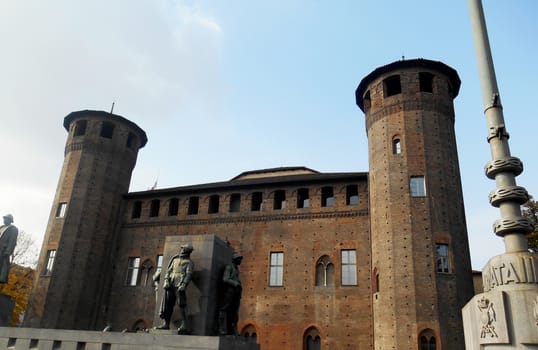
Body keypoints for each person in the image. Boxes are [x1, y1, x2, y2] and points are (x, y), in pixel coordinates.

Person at [156, 244, 194, 334]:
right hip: (170, 283)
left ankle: (184, 324)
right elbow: (168, 271)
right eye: (182, 248)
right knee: (168, 304)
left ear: (187, 251)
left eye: (183, 249)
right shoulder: (175, 259)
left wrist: (184, 284)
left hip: (179, 284)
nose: (182, 250)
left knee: (182, 304)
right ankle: (166, 324)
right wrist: (166, 280)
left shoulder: (189, 262)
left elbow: (189, 274)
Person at [218, 252, 243, 336]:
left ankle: (232, 329)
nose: (241, 261)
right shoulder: (229, 267)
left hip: (235, 292)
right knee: (224, 308)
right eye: (239, 259)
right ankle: (221, 328)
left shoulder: (236, 269)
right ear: (235, 259)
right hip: (229, 291)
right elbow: (225, 279)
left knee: (234, 311)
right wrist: (235, 283)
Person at [0, 214, 18, 284]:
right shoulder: (1, 227)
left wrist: (8, 251)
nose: (4, 220)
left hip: (2, 251)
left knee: (2, 267)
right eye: (4, 218)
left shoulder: (13, 229)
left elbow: (12, 241)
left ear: (10, 220)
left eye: (6, 219)